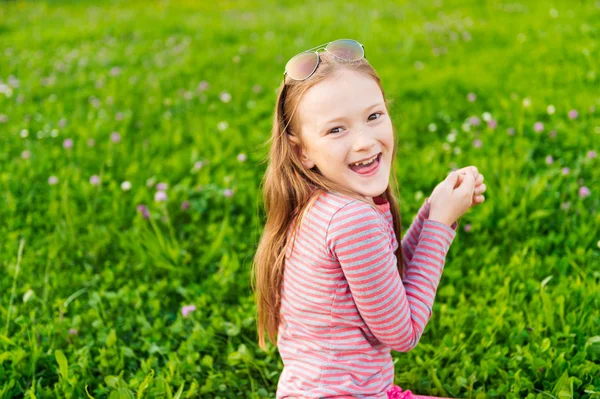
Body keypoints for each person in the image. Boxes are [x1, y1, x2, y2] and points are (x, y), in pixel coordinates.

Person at [251, 39, 487, 399]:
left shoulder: (319, 204)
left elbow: (386, 284)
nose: (363, 141)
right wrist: (439, 225)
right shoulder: (351, 219)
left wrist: (432, 209)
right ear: (302, 152)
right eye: (336, 129)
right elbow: (402, 333)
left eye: (373, 116)